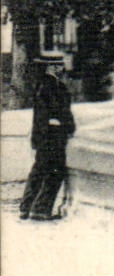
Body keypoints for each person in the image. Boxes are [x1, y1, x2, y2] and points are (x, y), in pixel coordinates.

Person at [20, 52, 76, 221]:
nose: (62, 68)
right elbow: (56, 111)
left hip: (45, 135)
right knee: (55, 171)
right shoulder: (51, 86)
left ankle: (27, 207)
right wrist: (66, 126)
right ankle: (40, 209)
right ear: (51, 67)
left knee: (39, 171)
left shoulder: (45, 85)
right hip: (52, 136)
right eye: (58, 65)